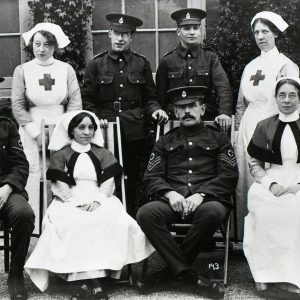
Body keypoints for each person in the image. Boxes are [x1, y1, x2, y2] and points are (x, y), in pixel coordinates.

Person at [24, 110, 154, 299]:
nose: (87, 132)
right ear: (71, 130)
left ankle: (89, 281)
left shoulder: (102, 153)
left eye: (91, 127)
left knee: (108, 219)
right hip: (68, 198)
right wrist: (73, 202)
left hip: (100, 196)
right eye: (81, 127)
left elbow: (108, 183)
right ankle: (91, 283)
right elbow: (59, 184)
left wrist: (98, 201)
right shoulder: (62, 154)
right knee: (72, 222)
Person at [137, 86, 238, 298]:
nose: (187, 111)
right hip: (172, 201)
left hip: (209, 200)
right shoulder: (165, 140)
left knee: (211, 212)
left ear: (202, 109)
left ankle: (169, 273)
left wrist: (202, 194)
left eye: (192, 106)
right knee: (146, 213)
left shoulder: (219, 139)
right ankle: (188, 275)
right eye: (181, 108)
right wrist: (170, 194)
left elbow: (229, 176)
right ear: (175, 112)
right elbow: (151, 177)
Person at [81, 13, 168, 217]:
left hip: (133, 130)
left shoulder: (141, 63)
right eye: (117, 33)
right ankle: (104, 219)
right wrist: (95, 117)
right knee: (103, 176)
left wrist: (156, 110)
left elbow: (150, 97)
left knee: (129, 176)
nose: (120, 38)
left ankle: (128, 219)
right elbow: (86, 99)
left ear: (131, 37)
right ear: (110, 34)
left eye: (125, 34)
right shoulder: (96, 64)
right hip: (105, 130)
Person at [11, 22, 82, 233]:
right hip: (32, 129)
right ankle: (33, 230)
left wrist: (64, 132)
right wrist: (36, 135)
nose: (41, 49)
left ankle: (61, 228)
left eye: (47, 45)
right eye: (37, 44)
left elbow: (75, 102)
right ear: (31, 44)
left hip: (62, 127)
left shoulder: (65, 69)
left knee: (61, 175)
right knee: (34, 174)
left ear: (55, 46)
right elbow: (17, 105)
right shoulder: (22, 70)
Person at [234, 11, 299, 241]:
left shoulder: (286, 65)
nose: (260, 36)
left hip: (275, 128)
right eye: (256, 32)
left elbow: (292, 102)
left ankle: (272, 237)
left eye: (265, 31)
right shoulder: (251, 66)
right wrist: (238, 130)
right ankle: (246, 237)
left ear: (275, 34)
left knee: (270, 178)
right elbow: (241, 104)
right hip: (248, 128)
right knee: (245, 179)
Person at [244, 76, 300, 298]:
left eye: (292, 95)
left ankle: (293, 279)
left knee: (294, 212)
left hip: (298, 180)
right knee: (262, 207)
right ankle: (267, 277)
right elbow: (254, 163)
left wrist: (297, 185)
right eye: (282, 95)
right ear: (275, 98)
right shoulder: (264, 125)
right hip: (271, 180)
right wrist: (270, 183)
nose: (286, 100)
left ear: (299, 98)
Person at [156, 8, 233, 132]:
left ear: (200, 30)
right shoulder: (167, 60)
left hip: (206, 120)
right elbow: (160, 96)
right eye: (187, 28)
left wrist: (224, 112)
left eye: (195, 28)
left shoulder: (210, 57)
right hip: (176, 122)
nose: (192, 32)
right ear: (178, 31)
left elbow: (223, 87)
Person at [0, 94, 35, 300]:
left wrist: (7, 187)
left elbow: (21, 164)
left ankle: (15, 274)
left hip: (5, 187)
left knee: (24, 214)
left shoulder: (6, 126)